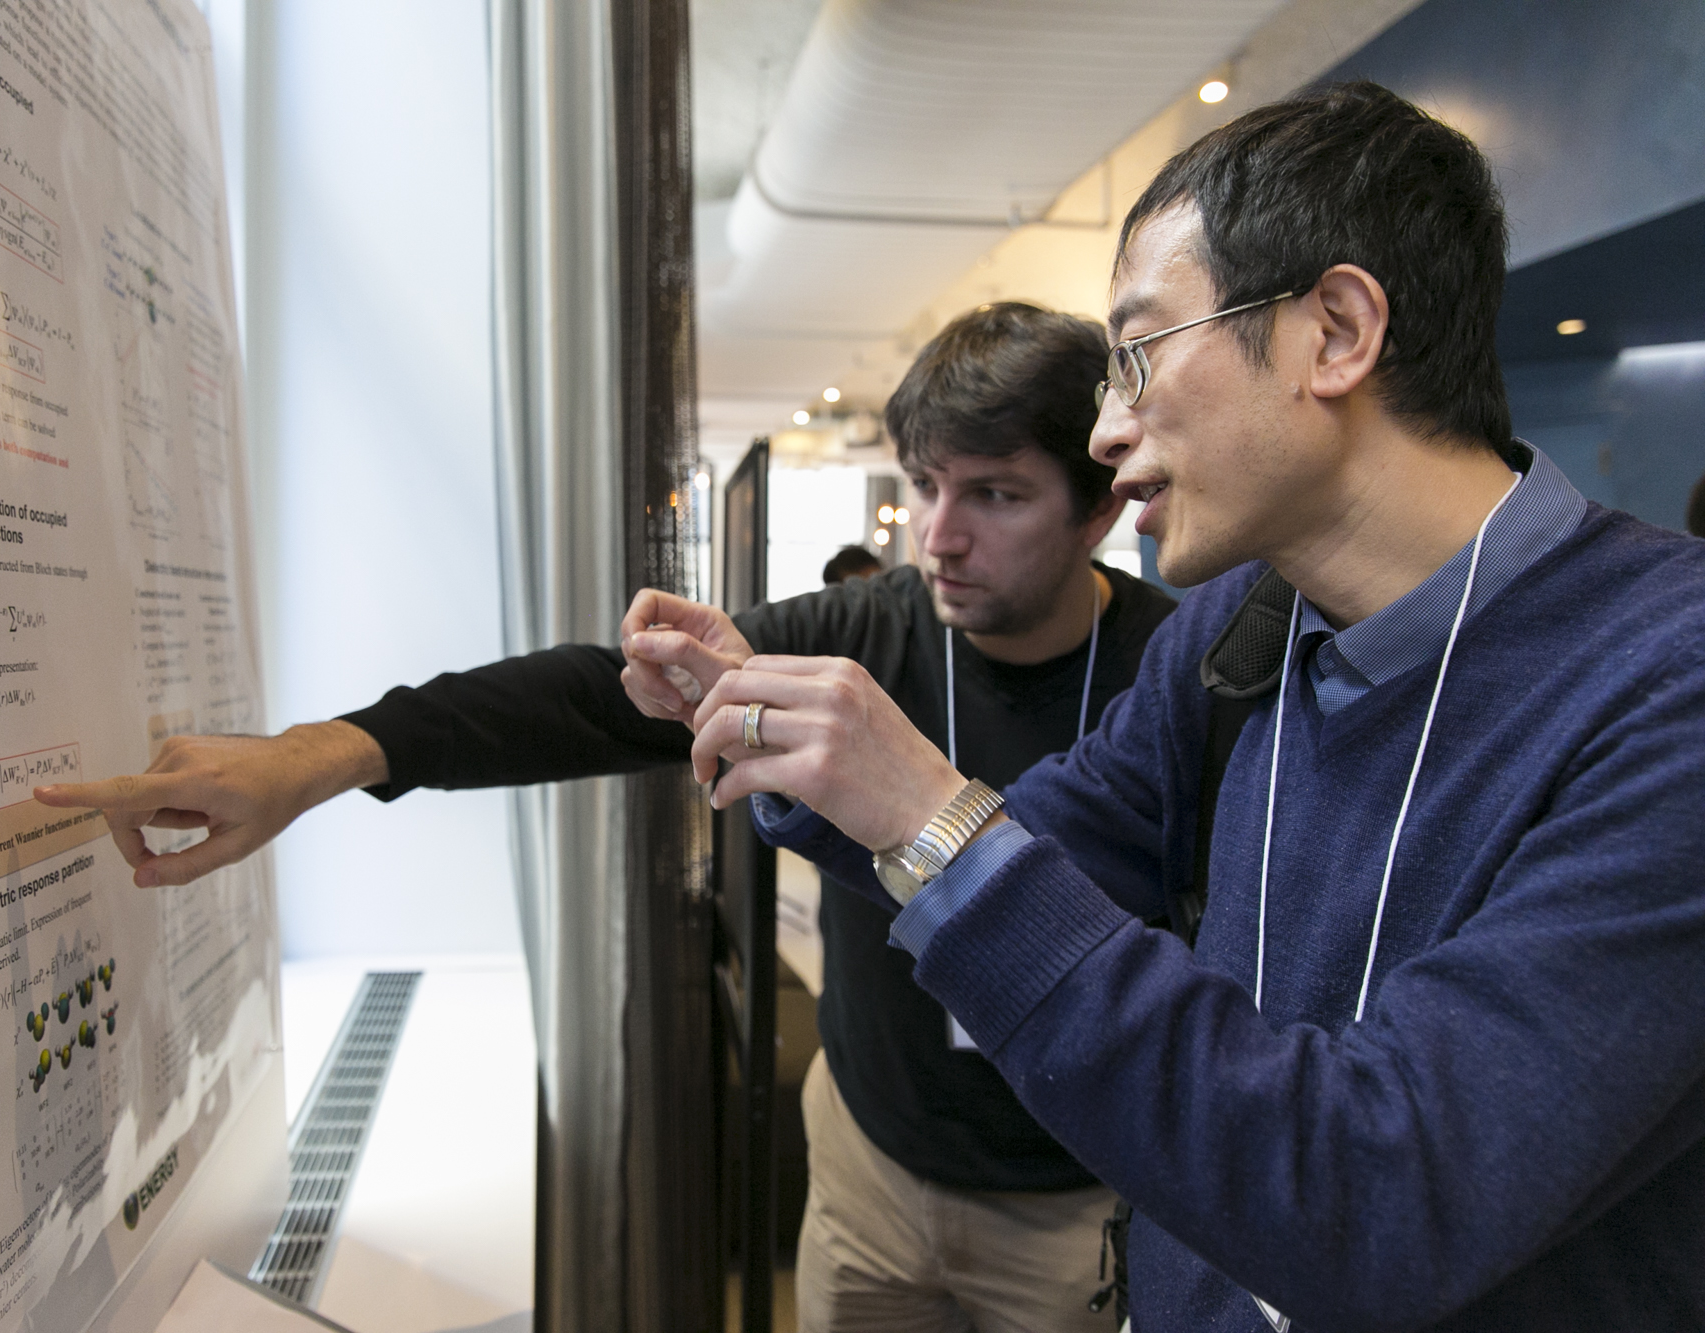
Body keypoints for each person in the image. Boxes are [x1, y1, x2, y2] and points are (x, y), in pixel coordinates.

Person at [683, 82, 1705, 1330]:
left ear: (1334, 332)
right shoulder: (1238, 629)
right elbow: (1048, 850)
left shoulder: (1664, 684)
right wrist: (825, 765)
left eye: (1136, 354)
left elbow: (1386, 1194)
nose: (1105, 431)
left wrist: (928, 815)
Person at [36, 302, 1177, 1332]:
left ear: (1097, 509)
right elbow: (586, 700)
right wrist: (316, 758)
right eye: (923, 485)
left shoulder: (1171, 673)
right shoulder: (866, 630)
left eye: (995, 495)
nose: (936, 535)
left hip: (1077, 1195)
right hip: (872, 1164)